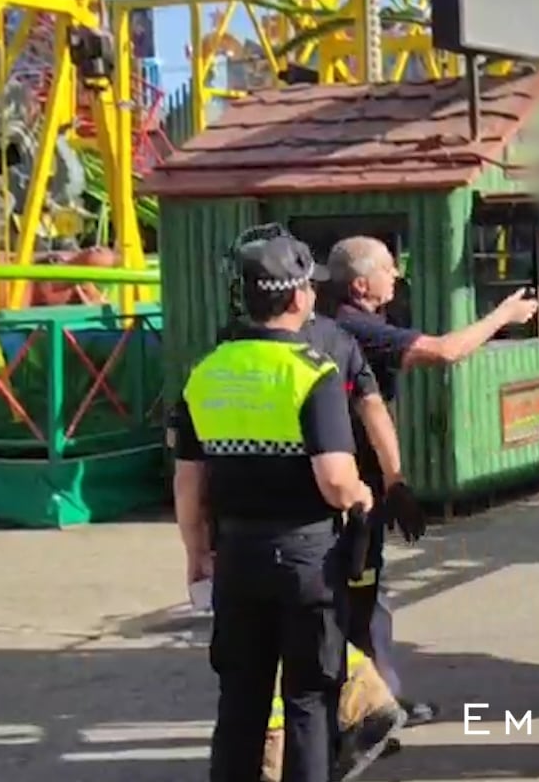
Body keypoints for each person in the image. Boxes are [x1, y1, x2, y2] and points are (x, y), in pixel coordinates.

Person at [172, 232, 374, 782]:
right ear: (298, 298)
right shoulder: (312, 373)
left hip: (236, 556)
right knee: (308, 699)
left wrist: (196, 552)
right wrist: (362, 496)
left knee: (240, 701)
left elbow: (189, 481)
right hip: (306, 555)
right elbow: (335, 480)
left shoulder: (206, 372)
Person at [324, 237, 539, 731]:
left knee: (365, 597)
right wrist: (502, 315)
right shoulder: (355, 327)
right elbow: (446, 352)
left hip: (366, 482)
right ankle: (365, 711)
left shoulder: (361, 325)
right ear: (361, 283)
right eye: (388, 268)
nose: (397, 276)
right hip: (350, 488)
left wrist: (395, 480)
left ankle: (375, 704)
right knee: (356, 601)